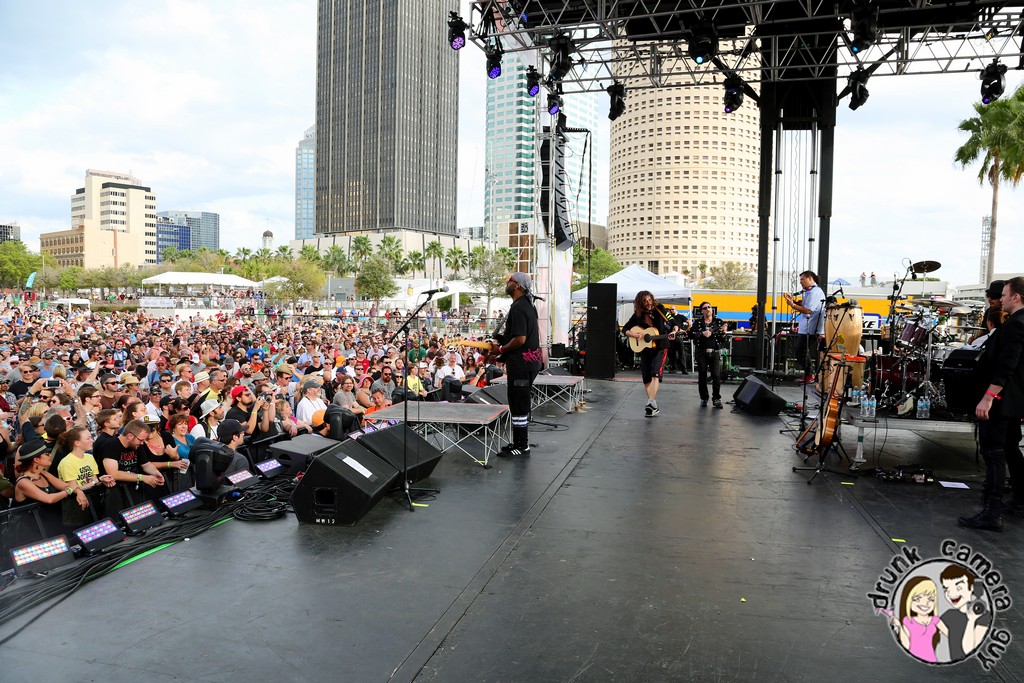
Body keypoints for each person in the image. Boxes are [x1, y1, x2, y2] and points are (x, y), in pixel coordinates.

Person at [960, 277, 1024, 531]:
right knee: (1009, 448)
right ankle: (1018, 500)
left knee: (993, 452)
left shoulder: (1016, 325)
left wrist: (988, 397)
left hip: (1001, 400)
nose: (1001, 299)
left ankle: (991, 512)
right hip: (1012, 399)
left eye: (1005, 295)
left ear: (1016, 297)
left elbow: (1007, 365)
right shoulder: (1018, 322)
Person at [494, 272, 542, 455]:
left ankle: (521, 445)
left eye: (510, 280)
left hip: (521, 365)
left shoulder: (519, 307)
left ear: (517, 286)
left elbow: (520, 339)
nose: (507, 282)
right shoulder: (526, 305)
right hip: (528, 362)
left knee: (519, 403)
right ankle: (519, 443)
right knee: (519, 402)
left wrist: (501, 350)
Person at [622, 290, 679, 417]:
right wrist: (633, 334)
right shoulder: (638, 315)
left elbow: (673, 322)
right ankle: (653, 405)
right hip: (645, 349)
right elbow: (625, 329)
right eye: (644, 301)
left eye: (649, 300)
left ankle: (650, 403)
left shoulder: (660, 309)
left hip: (660, 347)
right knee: (646, 379)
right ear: (640, 303)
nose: (648, 303)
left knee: (655, 374)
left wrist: (674, 331)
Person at [890, 576, 948, 663]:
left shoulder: (935, 620)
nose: (925, 603)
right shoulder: (908, 621)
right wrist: (899, 626)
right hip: (912, 661)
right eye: (917, 599)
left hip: (931, 660)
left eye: (931, 599)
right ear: (908, 600)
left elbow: (951, 635)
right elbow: (906, 645)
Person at [939, 565, 990, 661]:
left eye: (958, 588)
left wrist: (971, 620)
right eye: (946, 589)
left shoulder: (984, 616)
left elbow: (969, 650)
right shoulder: (949, 615)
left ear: (971, 587)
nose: (950, 594)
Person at [783, 271, 826, 384]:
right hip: (807, 327)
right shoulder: (811, 291)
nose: (800, 282)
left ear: (810, 278)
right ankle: (809, 374)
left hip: (810, 328)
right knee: (801, 351)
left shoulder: (814, 293)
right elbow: (805, 306)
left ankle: (810, 375)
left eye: (802, 279)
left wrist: (792, 305)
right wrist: (793, 301)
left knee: (800, 351)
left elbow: (808, 310)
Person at [688, 302, 727, 408]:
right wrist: (702, 333)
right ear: (702, 311)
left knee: (716, 376)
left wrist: (724, 333)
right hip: (701, 352)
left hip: (714, 352)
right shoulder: (698, 322)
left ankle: (716, 399)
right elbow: (690, 334)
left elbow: (722, 339)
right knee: (702, 376)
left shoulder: (718, 322)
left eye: (709, 307)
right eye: (705, 308)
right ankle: (704, 398)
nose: (708, 309)